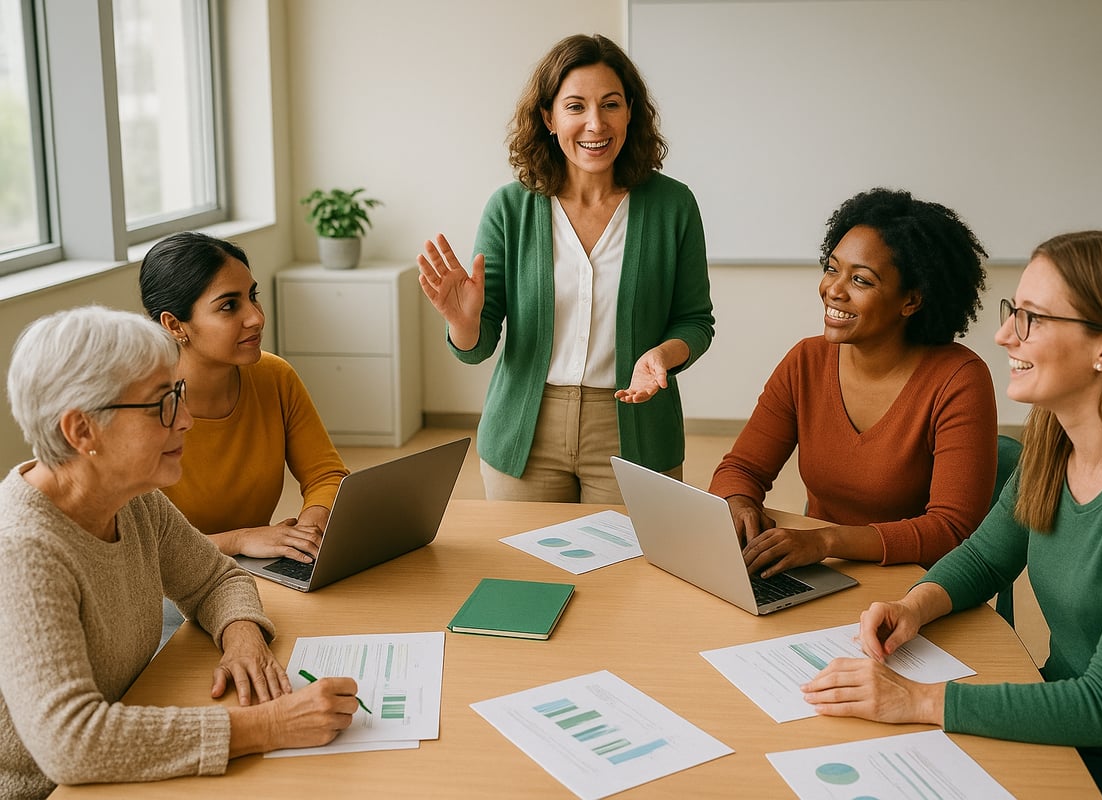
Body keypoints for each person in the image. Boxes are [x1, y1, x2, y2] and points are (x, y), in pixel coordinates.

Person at [800, 232, 1102, 799]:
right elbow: (988, 556)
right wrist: (913, 606)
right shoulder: (1055, 443)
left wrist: (913, 700)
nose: (1004, 334)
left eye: (1032, 318)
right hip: (1063, 734)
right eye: (1014, 310)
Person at [0, 306, 360, 798]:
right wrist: (268, 726)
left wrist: (242, 638)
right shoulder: (20, 551)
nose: (187, 420)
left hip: (125, 748)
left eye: (179, 395)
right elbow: (71, 743)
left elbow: (218, 579)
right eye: (162, 404)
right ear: (81, 431)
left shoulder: (134, 499)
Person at [416, 33, 715, 503]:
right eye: (575, 106)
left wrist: (662, 355)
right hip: (524, 432)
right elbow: (478, 347)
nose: (595, 123)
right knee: (526, 575)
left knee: (629, 575)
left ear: (630, 111)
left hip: (634, 429)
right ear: (548, 118)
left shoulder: (673, 206)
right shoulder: (509, 209)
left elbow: (695, 321)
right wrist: (464, 324)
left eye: (610, 104)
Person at [709, 188, 996, 573]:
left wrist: (826, 540)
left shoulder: (959, 380)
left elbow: (951, 530)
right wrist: (739, 503)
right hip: (821, 570)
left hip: (913, 586)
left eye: (861, 280)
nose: (834, 290)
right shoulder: (806, 360)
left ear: (911, 301)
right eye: (832, 268)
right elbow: (740, 469)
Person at [139, 231, 348, 565]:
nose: (256, 317)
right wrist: (240, 539)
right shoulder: (135, 409)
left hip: (254, 568)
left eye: (253, 296)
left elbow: (326, 476)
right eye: (228, 306)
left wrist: (305, 536)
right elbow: (141, 548)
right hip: (168, 586)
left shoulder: (274, 377)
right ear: (175, 325)